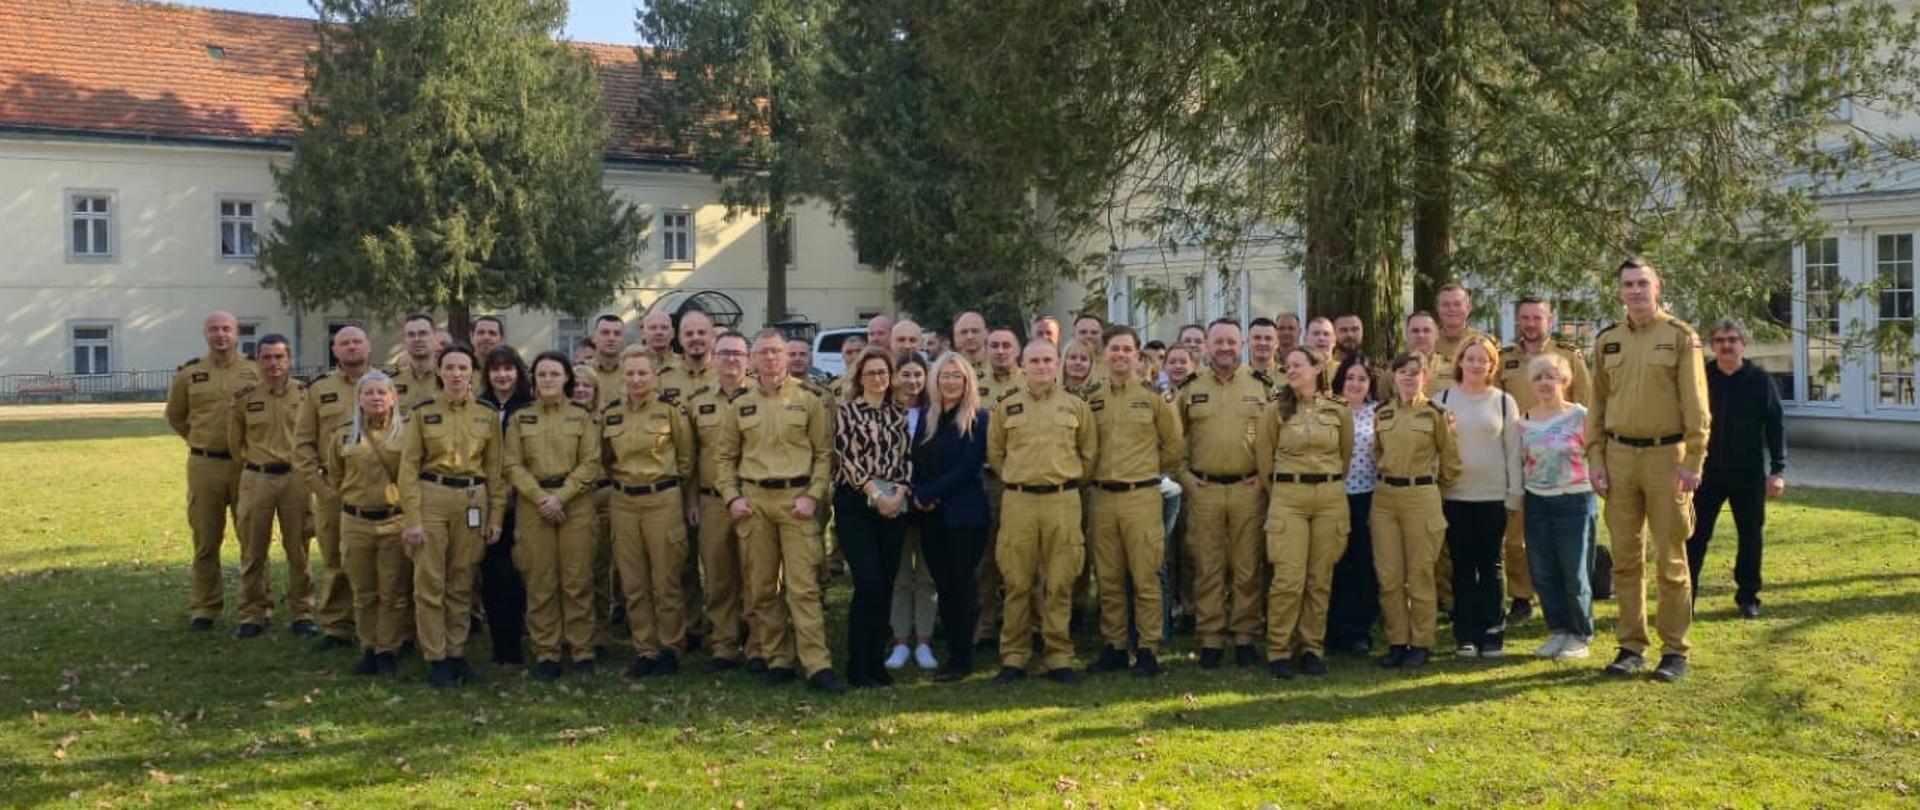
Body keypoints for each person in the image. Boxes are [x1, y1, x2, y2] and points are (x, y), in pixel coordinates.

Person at [1588, 256, 1710, 683]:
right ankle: (1630, 645)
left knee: (1671, 560)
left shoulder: (1680, 337)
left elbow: (1697, 404)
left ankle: (1674, 650)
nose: (1635, 291)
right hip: (1619, 459)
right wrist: (1596, 459)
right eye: (1628, 284)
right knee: (1624, 560)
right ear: (1619, 291)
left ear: (1657, 288)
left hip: (1667, 459)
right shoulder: (1607, 341)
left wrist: (1694, 459)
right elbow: (1597, 406)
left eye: (1642, 283)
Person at [716, 330, 848, 694]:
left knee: (803, 588)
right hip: (755, 503)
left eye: (777, 352)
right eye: (763, 353)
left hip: (797, 502)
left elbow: (825, 455)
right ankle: (777, 659)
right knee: (761, 588)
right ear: (752, 360)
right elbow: (724, 457)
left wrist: (814, 496)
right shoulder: (740, 405)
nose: (771, 359)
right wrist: (732, 498)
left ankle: (817, 664)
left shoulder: (808, 401)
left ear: (787, 357)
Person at [987, 340, 1097, 684]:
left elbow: (1089, 456)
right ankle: (1015, 656)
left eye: (1048, 360)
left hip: (1062, 501)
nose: (1042, 366)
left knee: (1059, 581)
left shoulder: (1076, 407)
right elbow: (996, 454)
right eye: (1034, 360)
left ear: (1057, 364)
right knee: (1017, 581)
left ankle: (1058, 656)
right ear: (1023, 364)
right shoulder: (1007, 407)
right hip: (1019, 501)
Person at [399, 344, 507, 688]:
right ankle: (436, 656)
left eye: (463, 368)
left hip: (473, 500)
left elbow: (495, 470)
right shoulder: (421, 413)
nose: (457, 374)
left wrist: (496, 517)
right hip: (433, 497)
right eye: (450, 368)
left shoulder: (486, 415)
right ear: (439, 372)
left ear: (472, 373)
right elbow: (408, 469)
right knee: (430, 580)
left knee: (462, 579)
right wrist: (413, 518)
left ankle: (457, 651)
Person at [1083, 326, 1184, 677]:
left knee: (1146, 576)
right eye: (1115, 349)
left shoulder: (1154, 397)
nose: (1121, 355)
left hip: (1141, 495)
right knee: (1108, 576)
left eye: (1128, 349)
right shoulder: (1091, 397)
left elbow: (1173, 448)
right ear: (1104, 354)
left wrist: (1147, 471)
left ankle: (1147, 648)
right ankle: (1113, 646)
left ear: (1138, 356)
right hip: (1101, 497)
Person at [1176, 319, 1273, 668]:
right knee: (1208, 566)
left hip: (1249, 488)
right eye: (1219, 342)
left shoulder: (1262, 386)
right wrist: (1185, 478)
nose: (1225, 348)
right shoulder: (1189, 388)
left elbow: (1276, 437)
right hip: (1205, 489)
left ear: (1242, 343)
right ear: (1207, 345)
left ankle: (1246, 636)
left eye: (1231, 342)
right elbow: (1173, 440)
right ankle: (1211, 639)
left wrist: (1264, 479)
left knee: (1248, 566)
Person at [503, 352, 604, 680]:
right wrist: (540, 498)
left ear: (566, 379)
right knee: (540, 580)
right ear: (533, 381)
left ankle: (582, 650)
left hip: (575, 503)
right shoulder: (520, 419)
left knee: (577, 581)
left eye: (554, 374)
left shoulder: (582, 418)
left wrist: (560, 498)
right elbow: (511, 464)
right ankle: (546, 651)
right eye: (542, 374)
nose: (548, 380)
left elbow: (591, 463)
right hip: (534, 507)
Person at [1254, 348, 1354, 678]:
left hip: (1328, 497)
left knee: (1319, 578)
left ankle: (1312, 648)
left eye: (1298, 365)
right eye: (1288, 366)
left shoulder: (1339, 410)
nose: (1291, 370)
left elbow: (1345, 455)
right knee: (1288, 578)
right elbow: (1265, 461)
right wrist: (1283, 490)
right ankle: (1278, 649)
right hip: (1288, 498)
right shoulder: (1274, 410)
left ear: (1317, 368)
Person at [1496, 297, 1594, 627]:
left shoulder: (1568, 356)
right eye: (1524, 318)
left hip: (1566, 462)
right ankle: (1522, 597)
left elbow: (1587, 402)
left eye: (1537, 317)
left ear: (1548, 320)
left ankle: (1574, 614)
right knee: (1517, 536)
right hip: (1521, 454)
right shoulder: (1504, 359)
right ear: (1517, 321)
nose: (1530, 324)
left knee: (1566, 545)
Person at [601, 348, 696, 677]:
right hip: (624, 502)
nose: (636, 380)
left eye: (643, 373)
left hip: (662, 500)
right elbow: (606, 460)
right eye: (630, 374)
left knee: (666, 580)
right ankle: (646, 650)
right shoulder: (611, 414)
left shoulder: (670, 411)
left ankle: (671, 647)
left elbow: (686, 458)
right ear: (622, 377)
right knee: (633, 582)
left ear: (655, 376)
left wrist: (674, 494)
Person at [166, 311, 261, 630]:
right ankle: (205, 608)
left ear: (237, 334)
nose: (220, 334)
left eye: (226, 329)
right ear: (205, 334)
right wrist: (199, 441)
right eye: (214, 329)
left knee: (251, 539)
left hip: (245, 465)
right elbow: (176, 417)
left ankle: (256, 609)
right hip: (204, 464)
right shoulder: (189, 374)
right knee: (206, 540)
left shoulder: (254, 371)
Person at [1687, 317, 1786, 619]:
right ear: (1712, 346)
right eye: (1720, 340)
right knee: (1694, 535)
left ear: (1743, 344)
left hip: (1748, 471)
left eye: (1732, 340)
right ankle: (1685, 598)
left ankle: (1748, 596)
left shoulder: (1760, 380)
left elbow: (1776, 426)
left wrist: (1778, 470)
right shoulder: (1701, 378)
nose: (1726, 345)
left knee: (1750, 535)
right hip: (1706, 472)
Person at [1371, 353, 1461, 669]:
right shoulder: (1381, 413)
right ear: (1393, 377)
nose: (1409, 378)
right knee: (1390, 575)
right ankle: (1397, 640)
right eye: (1403, 372)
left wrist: (1433, 489)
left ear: (1424, 377)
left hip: (1421, 495)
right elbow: (1377, 453)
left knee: (1420, 573)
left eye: (1415, 373)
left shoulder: (1436, 414)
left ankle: (1421, 642)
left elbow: (1450, 461)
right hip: (1384, 499)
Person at [1436, 335, 1523, 659]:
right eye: (1469, 358)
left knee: (1490, 565)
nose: (1475, 364)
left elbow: (1513, 451)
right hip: (1455, 496)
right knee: (1461, 566)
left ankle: (1492, 632)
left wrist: (1515, 494)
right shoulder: (1442, 399)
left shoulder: (1503, 401)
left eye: (1482, 359)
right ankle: (1465, 635)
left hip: (1493, 497)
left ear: (1491, 365)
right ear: (1459, 361)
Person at [832, 349, 914, 688]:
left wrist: (898, 494)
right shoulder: (847, 412)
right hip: (857, 503)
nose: (878, 378)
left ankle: (876, 663)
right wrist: (876, 495)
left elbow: (908, 456)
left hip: (894, 503)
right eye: (871, 373)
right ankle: (857, 663)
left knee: (886, 585)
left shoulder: (900, 413)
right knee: (869, 582)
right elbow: (846, 458)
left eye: (883, 372)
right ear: (859, 377)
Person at [324, 371, 412, 675]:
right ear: (358, 398)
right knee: (363, 591)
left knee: (393, 590)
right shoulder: (342, 434)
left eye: (381, 393)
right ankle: (369, 648)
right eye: (369, 393)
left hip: (394, 521)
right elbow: (336, 475)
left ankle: (388, 649)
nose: (376, 398)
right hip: (356, 521)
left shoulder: (407, 433)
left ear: (393, 397)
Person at [228, 334, 314, 639]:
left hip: (296, 480)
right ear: (257, 361)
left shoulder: (306, 395)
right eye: (266, 358)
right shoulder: (245, 398)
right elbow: (234, 444)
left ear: (289, 360)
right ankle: (253, 613)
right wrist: (253, 469)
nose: (273, 364)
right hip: (257, 478)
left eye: (279, 357)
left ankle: (302, 611)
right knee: (253, 549)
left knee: (299, 549)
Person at [912, 353, 991, 681]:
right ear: (935, 380)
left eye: (957, 376)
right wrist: (918, 491)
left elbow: (968, 466)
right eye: (944, 375)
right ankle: (953, 652)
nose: (950, 381)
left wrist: (930, 493)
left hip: (965, 516)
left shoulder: (978, 418)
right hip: (931, 517)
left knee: (963, 585)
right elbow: (914, 458)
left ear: (967, 381)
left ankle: (963, 657)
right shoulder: (926, 417)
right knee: (943, 584)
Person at [296, 326, 376, 650]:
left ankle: (381, 625)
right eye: (345, 343)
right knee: (335, 558)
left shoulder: (387, 383)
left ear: (368, 346)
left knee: (382, 559)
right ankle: (338, 627)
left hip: (378, 486)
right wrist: (321, 488)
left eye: (357, 341)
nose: (352, 347)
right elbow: (302, 444)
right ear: (335, 349)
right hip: (334, 489)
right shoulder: (319, 390)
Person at [684, 333, 760, 672]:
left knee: (757, 574)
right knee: (718, 576)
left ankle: (758, 645)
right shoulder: (698, 401)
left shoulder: (764, 397)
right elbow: (688, 457)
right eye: (725, 353)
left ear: (749, 359)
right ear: (714, 357)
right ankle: (724, 645)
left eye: (738, 353)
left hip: (755, 498)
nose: (731, 359)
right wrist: (692, 500)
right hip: (713, 501)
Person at [1519, 353, 1597, 660]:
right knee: (1543, 571)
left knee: (1574, 570)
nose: (1544, 383)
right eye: (1538, 377)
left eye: (1550, 376)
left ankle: (1580, 633)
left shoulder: (1580, 416)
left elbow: (1597, 455)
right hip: (1536, 500)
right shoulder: (1524, 421)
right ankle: (1558, 631)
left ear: (1564, 380)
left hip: (1574, 500)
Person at [476, 347, 533, 666]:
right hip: (486, 501)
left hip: (522, 501)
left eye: (508, 369)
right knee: (493, 574)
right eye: (496, 369)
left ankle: (521, 639)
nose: (502, 375)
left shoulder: (529, 408)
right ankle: (500, 644)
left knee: (519, 573)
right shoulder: (478, 407)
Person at [971, 327, 1026, 648]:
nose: (1001, 351)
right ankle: (985, 626)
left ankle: (1022, 627)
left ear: (1017, 350)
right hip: (986, 480)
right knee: (985, 559)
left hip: (1021, 483)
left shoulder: (1029, 381)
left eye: (1007, 345)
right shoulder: (975, 385)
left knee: (1021, 556)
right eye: (995, 346)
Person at [1326, 355, 1382, 656]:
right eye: (1350, 378)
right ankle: (1332, 629)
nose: (1356, 384)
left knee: (1363, 564)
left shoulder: (1378, 413)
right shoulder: (1329, 411)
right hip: (1332, 496)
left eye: (1362, 378)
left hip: (1368, 497)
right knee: (1335, 563)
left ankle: (1359, 631)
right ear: (1340, 381)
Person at [886, 353, 938, 672]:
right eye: (906, 374)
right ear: (896, 377)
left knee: (928, 578)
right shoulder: (885, 412)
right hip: (894, 503)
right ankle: (901, 642)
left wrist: (928, 493)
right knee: (900, 576)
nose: (912, 381)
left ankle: (924, 643)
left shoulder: (936, 413)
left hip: (929, 504)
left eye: (918, 375)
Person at [571, 365, 616, 652]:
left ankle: (598, 629)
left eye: (587, 386)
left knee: (599, 567)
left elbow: (613, 459)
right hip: (570, 498)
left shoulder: (605, 423)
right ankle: (575, 628)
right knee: (575, 570)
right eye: (575, 385)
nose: (581, 390)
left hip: (600, 496)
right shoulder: (560, 420)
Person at [1433, 284, 1483, 391]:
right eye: (1445, 305)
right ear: (1438, 309)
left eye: (1457, 304)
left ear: (1469, 308)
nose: (1451, 309)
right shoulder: (1428, 342)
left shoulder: (1485, 343)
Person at [395, 314, 442, 411]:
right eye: (411, 335)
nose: (417, 339)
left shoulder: (449, 377)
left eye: (423, 333)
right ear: (404, 340)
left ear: (435, 337)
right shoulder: (390, 381)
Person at [585, 314, 628, 410]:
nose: (611, 338)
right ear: (594, 337)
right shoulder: (582, 373)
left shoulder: (633, 373)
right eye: (605, 333)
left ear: (624, 339)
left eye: (617, 333)